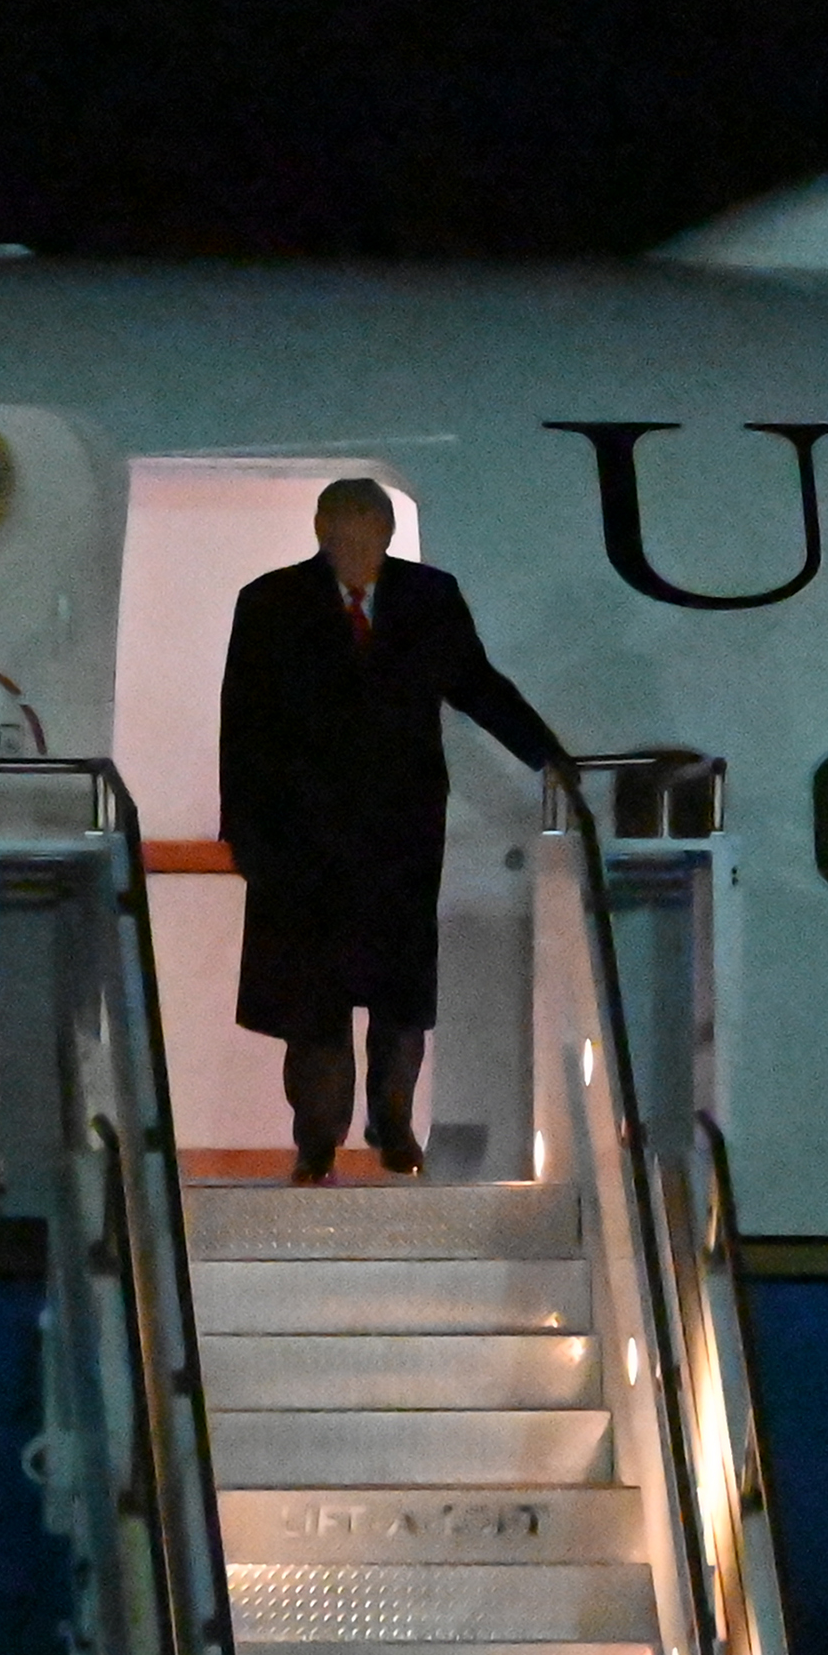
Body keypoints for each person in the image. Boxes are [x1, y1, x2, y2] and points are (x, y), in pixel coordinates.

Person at [219, 478, 570, 1180]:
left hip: (397, 835)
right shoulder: (270, 602)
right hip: (302, 842)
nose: (352, 550)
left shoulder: (428, 598)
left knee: (399, 993)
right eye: (340, 535)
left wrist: (549, 755)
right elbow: (243, 724)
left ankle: (394, 1125)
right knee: (311, 1003)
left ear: (386, 534)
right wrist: (245, 836)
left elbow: (477, 685)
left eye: (365, 536)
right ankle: (317, 1142)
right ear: (319, 529)